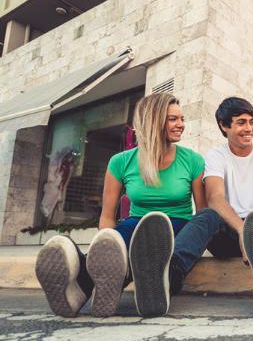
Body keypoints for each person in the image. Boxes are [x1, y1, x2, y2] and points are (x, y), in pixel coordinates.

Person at [35, 93, 206, 318]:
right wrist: (106, 247)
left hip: (178, 227)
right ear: (153, 121)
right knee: (121, 239)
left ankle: (95, 283)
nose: (181, 125)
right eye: (173, 119)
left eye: (181, 118)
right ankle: (79, 290)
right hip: (136, 226)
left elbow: (202, 213)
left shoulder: (193, 160)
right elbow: (107, 215)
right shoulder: (121, 162)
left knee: (206, 217)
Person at [166, 96, 253, 318]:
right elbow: (215, 197)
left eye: (252, 122)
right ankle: (168, 277)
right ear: (224, 126)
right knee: (207, 215)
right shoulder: (216, 155)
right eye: (241, 122)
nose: (249, 128)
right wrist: (243, 231)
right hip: (230, 231)